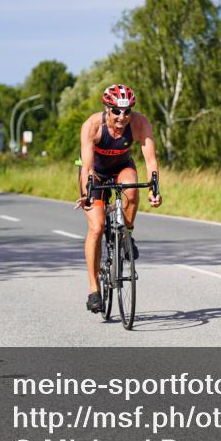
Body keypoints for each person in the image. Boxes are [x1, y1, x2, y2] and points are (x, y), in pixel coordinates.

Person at [75, 84, 163, 313]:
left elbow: (150, 161)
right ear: (107, 108)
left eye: (127, 111)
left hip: (122, 167)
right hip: (95, 172)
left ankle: (127, 235)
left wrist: (154, 189)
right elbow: (87, 167)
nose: (122, 117)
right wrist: (87, 193)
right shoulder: (92, 126)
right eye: (116, 111)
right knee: (96, 227)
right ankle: (94, 289)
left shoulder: (140, 123)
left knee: (132, 191)